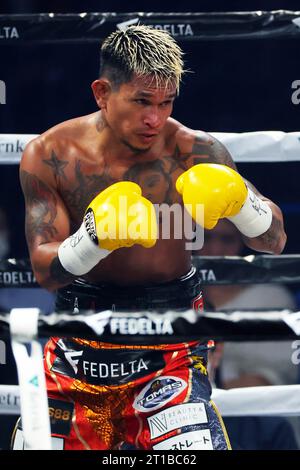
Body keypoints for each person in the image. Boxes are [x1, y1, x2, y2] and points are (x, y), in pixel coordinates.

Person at [18, 25, 286, 450]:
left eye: (166, 103)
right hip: (77, 339)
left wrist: (242, 205)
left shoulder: (193, 150)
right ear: (102, 92)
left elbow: (274, 240)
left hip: (172, 344)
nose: (154, 119)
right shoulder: (52, 154)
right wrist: (93, 238)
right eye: (142, 101)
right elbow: (46, 272)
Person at [197, 219, 297, 387]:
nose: (215, 250)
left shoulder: (272, 298)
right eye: (206, 238)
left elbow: (276, 377)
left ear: (243, 243)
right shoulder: (171, 296)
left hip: (258, 409)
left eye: (227, 239)